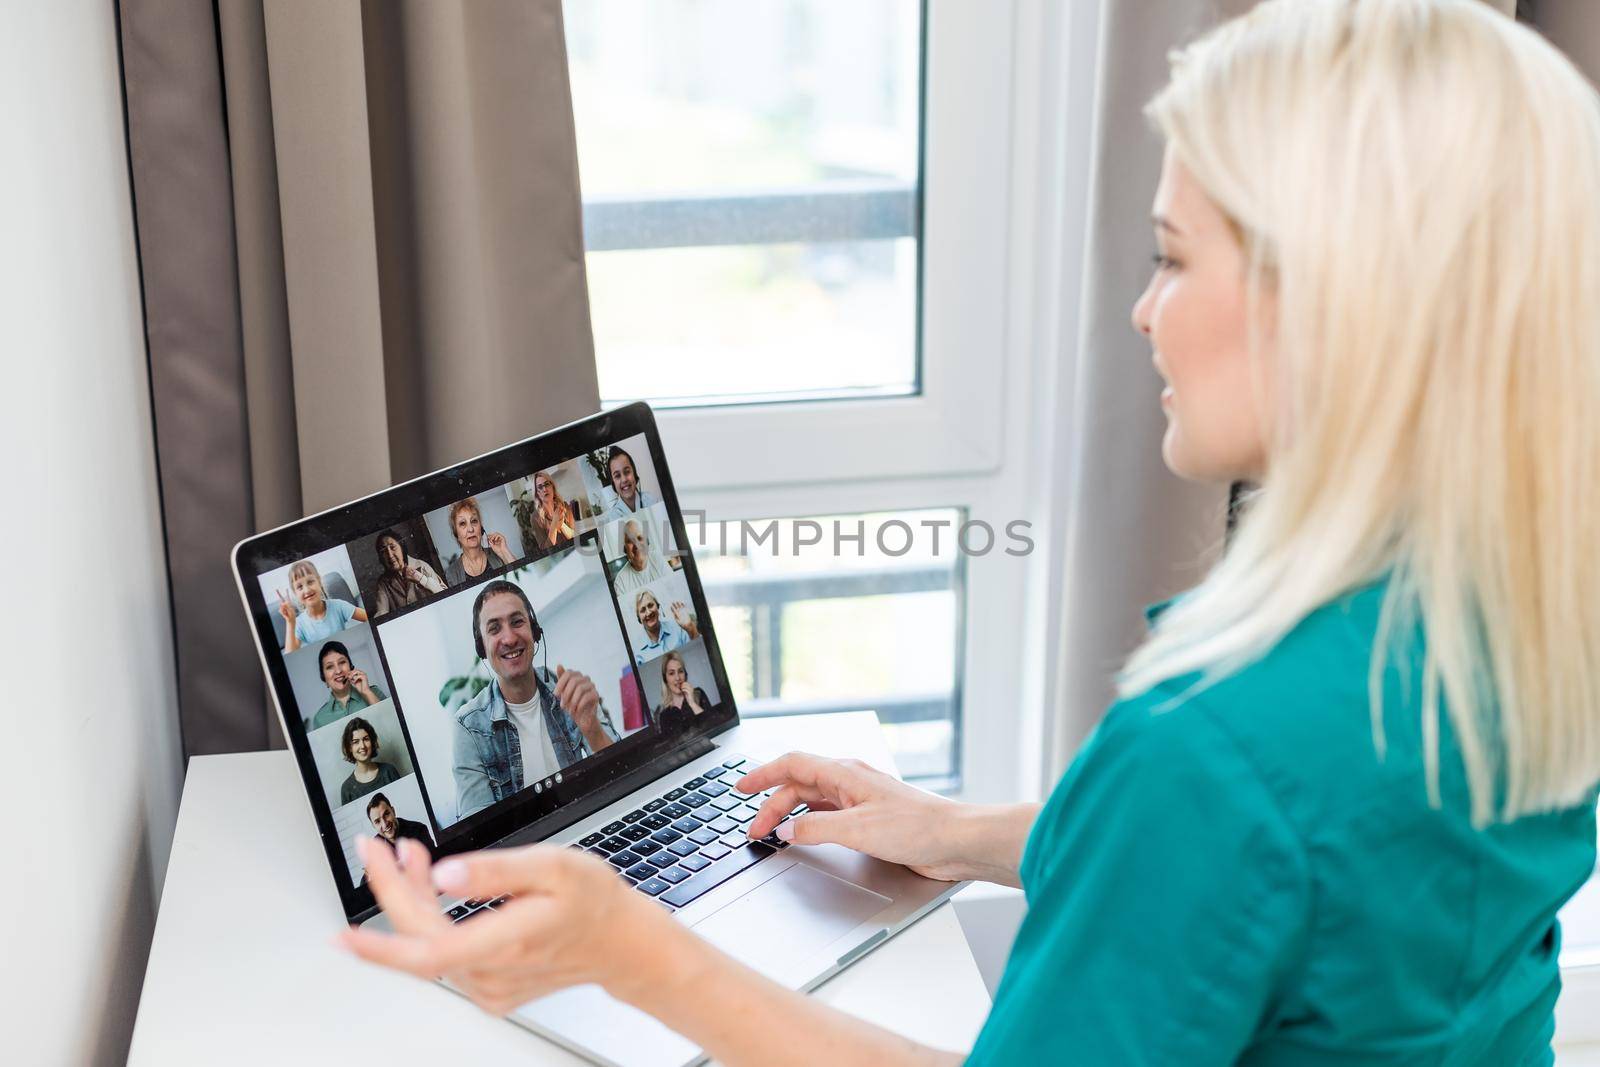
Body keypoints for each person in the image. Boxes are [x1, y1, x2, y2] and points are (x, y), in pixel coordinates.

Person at [341, 3, 1600, 1064]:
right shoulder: (1520, 618)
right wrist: (953, 834)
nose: (1141, 311)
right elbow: (1306, 891)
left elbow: (1230, 826)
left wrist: (629, 952)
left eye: (1172, 260)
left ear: (1332, 305)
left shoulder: (1212, 754)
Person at [451, 579, 619, 820]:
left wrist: (592, 729)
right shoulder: (468, 728)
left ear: (534, 632)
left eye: (517, 622)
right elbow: (480, 836)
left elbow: (621, 773)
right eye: (494, 629)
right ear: (482, 647)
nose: (509, 638)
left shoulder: (569, 689)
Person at [276, 558, 366, 653]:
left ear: (319, 581)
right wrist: (290, 622)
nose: (306, 590)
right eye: (300, 587)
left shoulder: (338, 606)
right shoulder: (299, 624)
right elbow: (291, 655)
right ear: (295, 593)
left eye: (310, 582)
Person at [307, 640, 388, 730]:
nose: (338, 671)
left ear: (351, 667)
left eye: (342, 662)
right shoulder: (320, 719)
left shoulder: (374, 692)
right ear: (324, 678)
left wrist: (367, 692)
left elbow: (392, 721)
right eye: (330, 667)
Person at [442, 497, 515, 586]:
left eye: (474, 521)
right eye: (463, 523)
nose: (470, 529)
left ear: (481, 528)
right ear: (456, 534)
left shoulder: (498, 555)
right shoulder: (452, 573)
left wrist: (504, 552)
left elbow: (522, 579)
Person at [371, 529, 445, 615]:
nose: (390, 555)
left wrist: (421, 579)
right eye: (384, 551)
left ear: (402, 548)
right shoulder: (383, 583)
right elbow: (381, 611)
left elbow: (444, 594)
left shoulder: (422, 566)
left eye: (393, 547)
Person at [338, 716, 402, 805]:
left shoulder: (389, 771)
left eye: (366, 739)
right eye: (356, 742)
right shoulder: (347, 789)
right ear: (349, 748)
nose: (362, 746)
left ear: (372, 742)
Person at [652, 650, 709, 732]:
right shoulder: (664, 715)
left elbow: (713, 725)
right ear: (665, 679)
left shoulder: (698, 693)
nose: (678, 678)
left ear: (685, 674)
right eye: (671, 673)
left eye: (680, 671)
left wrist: (692, 703)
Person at [632, 589, 696, 660]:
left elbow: (697, 651)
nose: (648, 612)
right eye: (643, 610)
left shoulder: (678, 627)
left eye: (650, 605)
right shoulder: (636, 651)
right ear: (639, 618)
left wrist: (691, 628)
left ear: (658, 606)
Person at [609, 518, 668, 595]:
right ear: (624, 549)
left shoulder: (658, 558)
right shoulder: (620, 582)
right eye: (630, 541)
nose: (636, 545)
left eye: (639, 538)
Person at [365, 793, 435, 857]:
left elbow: (434, 864)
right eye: (377, 821)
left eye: (386, 814)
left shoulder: (419, 830)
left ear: (393, 811)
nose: (384, 824)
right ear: (373, 826)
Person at [526, 471, 577, 551]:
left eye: (547, 484)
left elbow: (574, 535)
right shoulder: (535, 518)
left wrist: (561, 525)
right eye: (540, 487)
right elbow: (547, 549)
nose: (545, 489)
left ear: (552, 486)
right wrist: (554, 523)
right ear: (537, 494)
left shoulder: (565, 506)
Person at [602, 446, 656, 521]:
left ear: (634, 473)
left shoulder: (651, 500)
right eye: (617, 476)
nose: (624, 480)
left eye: (627, 472)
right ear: (613, 482)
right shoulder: (613, 517)